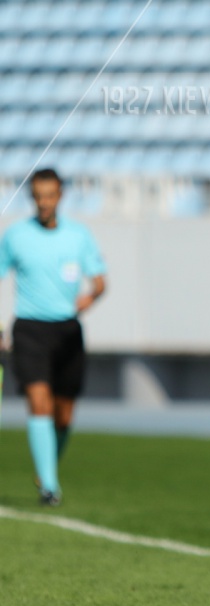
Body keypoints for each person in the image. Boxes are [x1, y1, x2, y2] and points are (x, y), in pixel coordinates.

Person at [0, 168, 107, 506]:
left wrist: (91, 296)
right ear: (32, 198)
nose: (44, 203)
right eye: (38, 196)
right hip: (30, 329)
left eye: (50, 196)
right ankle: (49, 487)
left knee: (64, 414)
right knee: (39, 402)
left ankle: (47, 467)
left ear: (60, 196)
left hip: (67, 330)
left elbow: (100, 281)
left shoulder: (78, 235)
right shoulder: (16, 236)